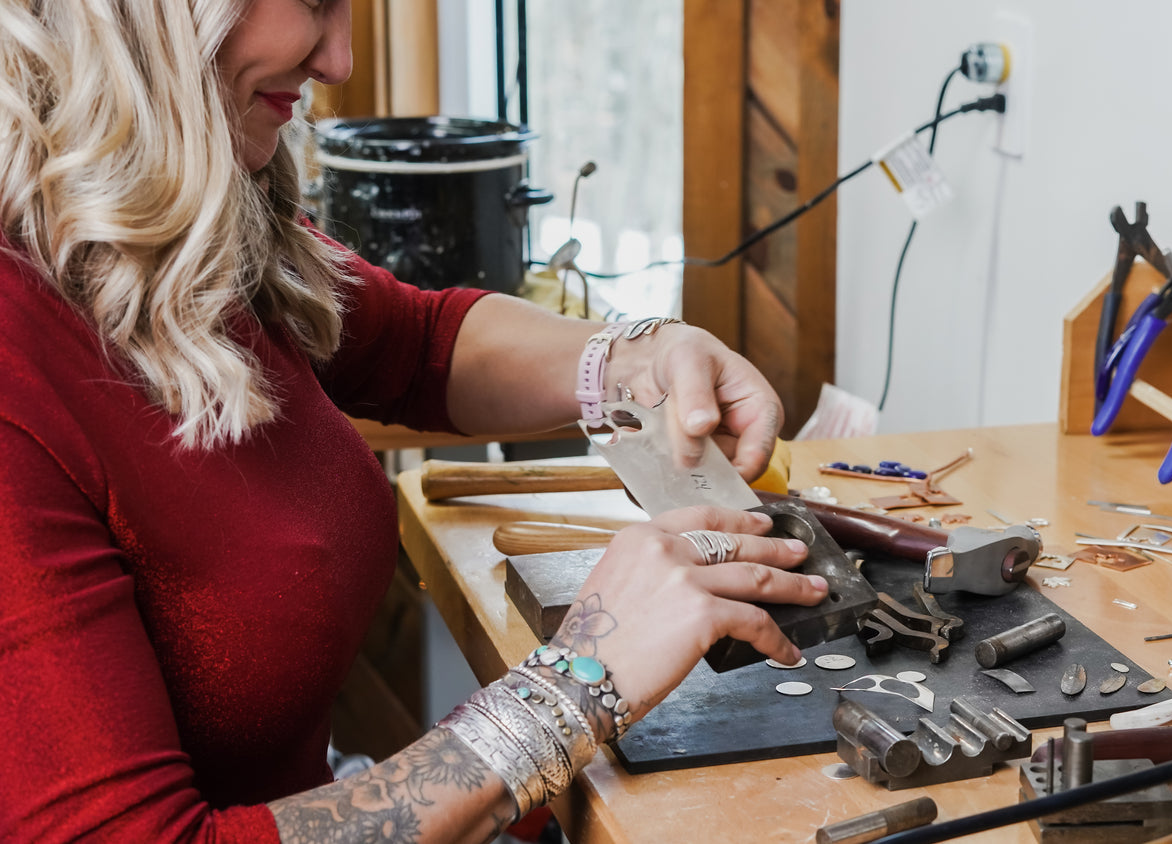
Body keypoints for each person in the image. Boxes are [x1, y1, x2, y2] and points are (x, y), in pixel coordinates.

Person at [0, 1, 829, 841]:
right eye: (316, 3)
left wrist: (633, 358)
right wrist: (571, 688)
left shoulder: (166, 216)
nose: (341, 61)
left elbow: (414, 342)